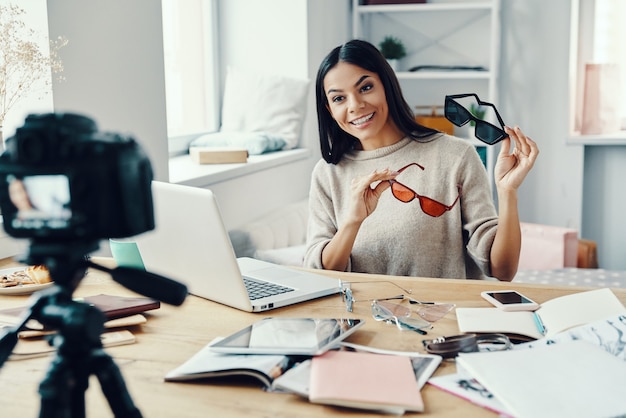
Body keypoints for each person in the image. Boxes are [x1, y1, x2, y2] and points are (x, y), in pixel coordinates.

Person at [303, 39, 539, 281]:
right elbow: (320, 274)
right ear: (329, 109)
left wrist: (507, 192)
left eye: (365, 88)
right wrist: (352, 222)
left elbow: (503, 270)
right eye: (339, 98)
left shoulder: (455, 156)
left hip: (442, 316)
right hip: (359, 318)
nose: (355, 105)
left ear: (387, 84)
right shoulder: (328, 173)